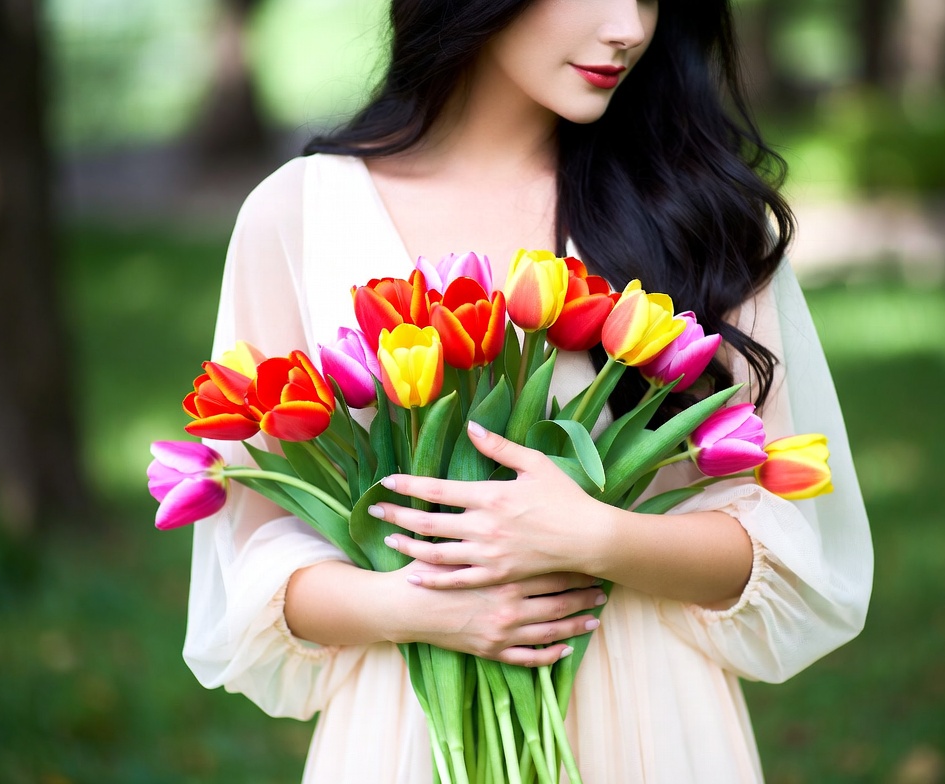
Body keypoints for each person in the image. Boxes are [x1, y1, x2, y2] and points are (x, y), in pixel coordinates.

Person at [183, 0, 874, 780]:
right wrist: (420, 608)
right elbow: (257, 561)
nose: (630, 28)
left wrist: (597, 538)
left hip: (652, 723)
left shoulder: (695, 211)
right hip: (410, 726)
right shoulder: (298, 214)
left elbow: (784, 544)